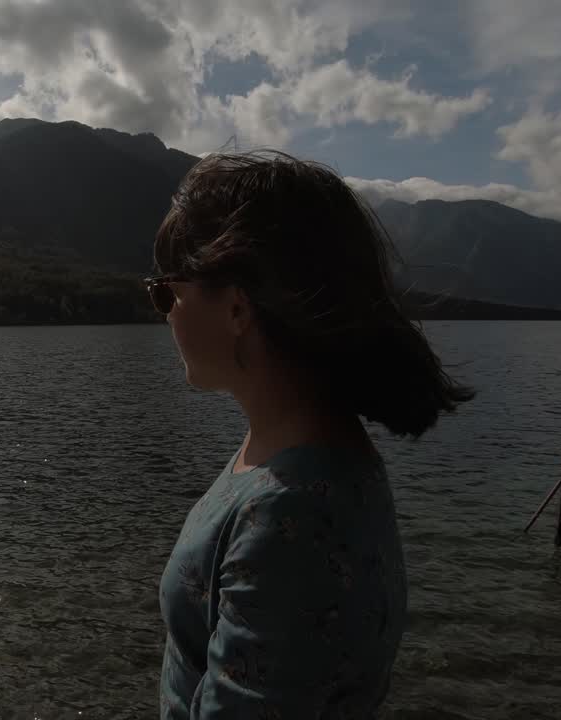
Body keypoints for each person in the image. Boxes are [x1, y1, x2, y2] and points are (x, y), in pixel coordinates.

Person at [147, 150, 474, 719]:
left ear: (236, 307)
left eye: (167, 293)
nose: (166, 314)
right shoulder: (290, 453)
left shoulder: (291, 519)